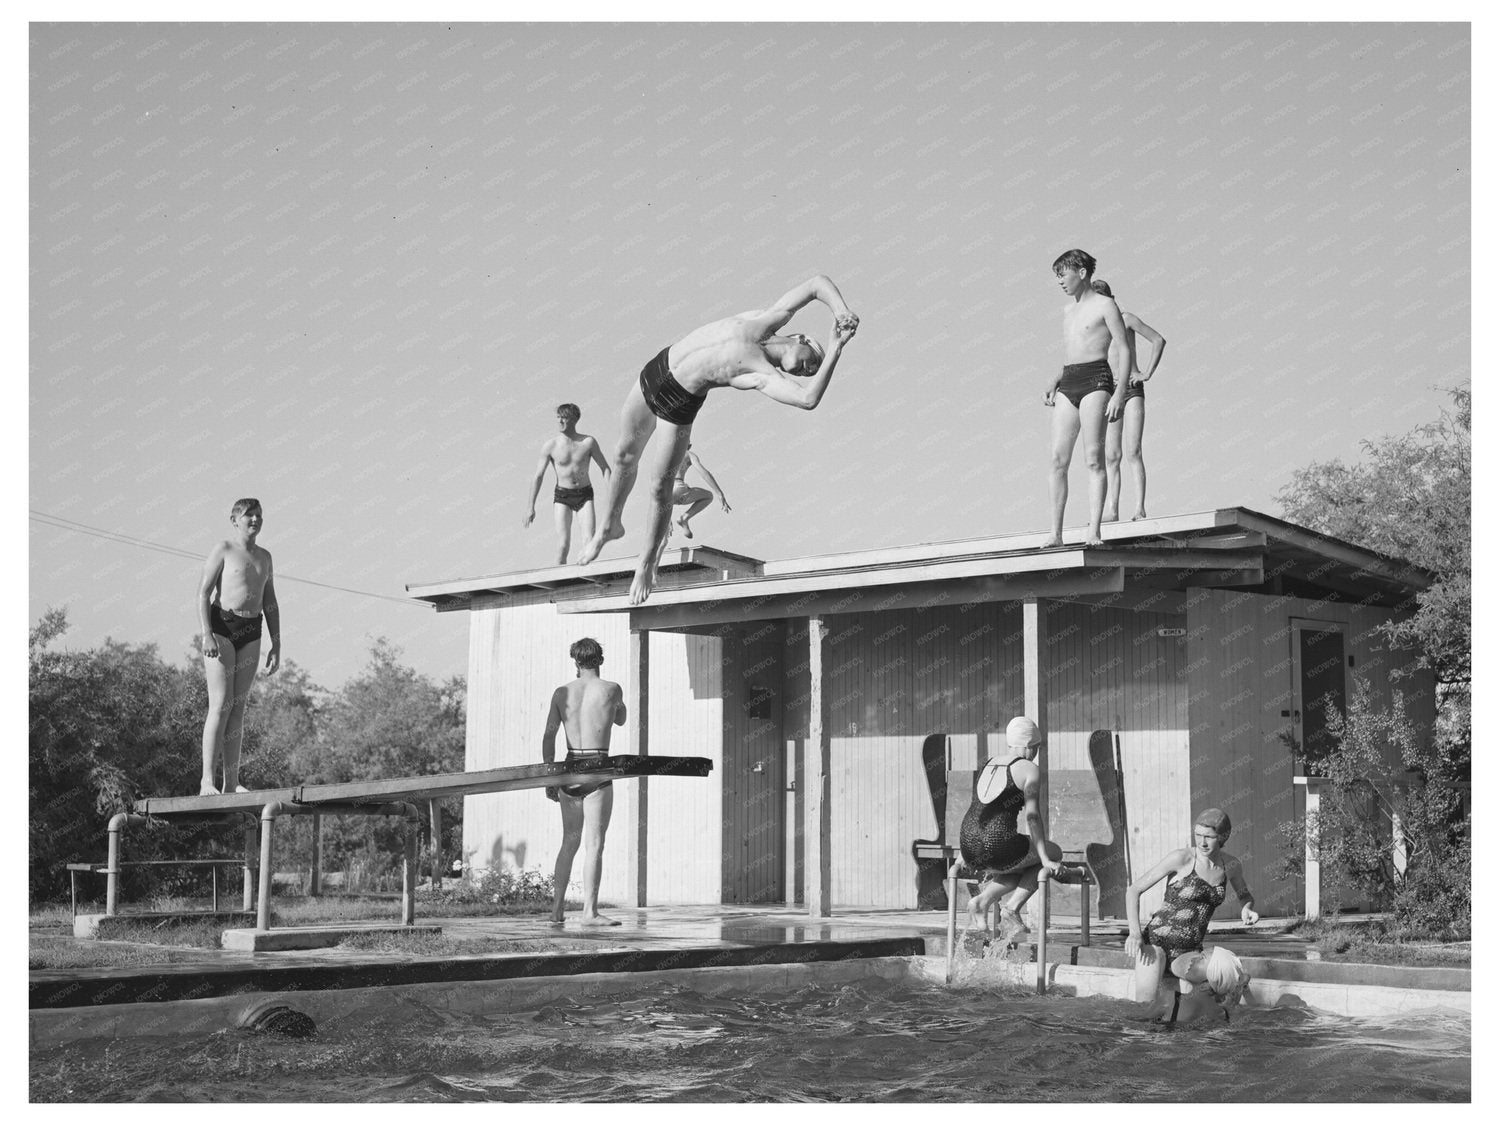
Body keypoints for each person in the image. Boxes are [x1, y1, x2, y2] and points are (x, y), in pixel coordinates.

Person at [576, 275, 859, 603]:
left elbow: (808, 399)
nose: (808, 371)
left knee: (660, 487)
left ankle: (648, 560)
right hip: (658, 369)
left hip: (678, 402)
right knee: (624, 454)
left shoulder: (763, 375)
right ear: (802, 338)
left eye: (810, 372)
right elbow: (815, 285)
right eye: (814, 362)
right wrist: (841, 311)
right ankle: (610, 526)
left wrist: (836, 349)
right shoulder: (765, 319)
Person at [1042, 249, 1131, 547]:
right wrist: (1056, 378)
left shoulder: (1106, 305)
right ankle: (1055, 533)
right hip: (1070, 379)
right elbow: (1073, 350)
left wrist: (1120, 393)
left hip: (1097, 378)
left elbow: (1124, 348)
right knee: (1057, 459)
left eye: (1063, 275)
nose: (1060, 282)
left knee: (1093, 458)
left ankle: (1094, 530)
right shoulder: (1068, 311)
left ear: (1081, 272)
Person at [1125, 807, 1260, 1004]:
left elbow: (1244, 895)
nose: (1202, 842)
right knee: (1145, 1009)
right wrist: (1135, 934)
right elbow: (1133, 891)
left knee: (1227, 969)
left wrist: (1247, 907)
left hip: (1188, 951)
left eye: (1209, 836)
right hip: (1155, 944)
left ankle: (1225, 1025)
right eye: (1198, 835)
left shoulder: (1231, 866)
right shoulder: (1182, 858)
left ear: (1223, 837)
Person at [541, 637, 627, 927]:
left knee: (569, 842)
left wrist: (550, 778)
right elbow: (622, 719)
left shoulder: (561, 692)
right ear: (600, 660)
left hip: (569, 768)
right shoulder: (612, 689)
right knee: (594, 844)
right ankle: (589, 912)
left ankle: (556, 911)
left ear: (575, 662)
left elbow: (548, 737)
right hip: (598, 768)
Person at [197, 498, 280, 796]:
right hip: (221, 627)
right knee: (220, 704)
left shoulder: (266, 557)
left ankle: (231, 783)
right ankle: (207, 781)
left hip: (252, 629)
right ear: (235, 520)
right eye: (248, 516)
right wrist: (206, 633)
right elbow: (203, 594)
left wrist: (276, 643)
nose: (255, 520)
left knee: (238, 708)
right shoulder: (224, 549)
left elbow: (269, 601)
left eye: (258, 515)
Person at [957, 716, 1061, 943]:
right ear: (1027, 745)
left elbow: (977, 811)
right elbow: (1033, 817)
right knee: (1053, 853)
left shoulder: (987, 764)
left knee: (1015, 869)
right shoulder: (1029, 769)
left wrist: (961, 856)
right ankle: (1012, 909)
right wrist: (1045, 859)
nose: (1035, 753)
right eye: (1036, 747)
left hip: (968, 844)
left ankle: (981, 901)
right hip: (998, 845)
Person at [1090, 279, 1167, 523]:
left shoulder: (1126, 319)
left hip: (1132, 388)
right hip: (1111, 390)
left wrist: (1146, 372)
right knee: (1112, 454)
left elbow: (1158, 339)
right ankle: (1112, 510)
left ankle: (1140, 507)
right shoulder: (1096, 328)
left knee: (1133, 450)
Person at [523, 403, 611, 565]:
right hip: (563, 496)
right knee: (563, 544)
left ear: (574, 420)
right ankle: (559, 581)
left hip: (585, 495)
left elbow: (605, 468)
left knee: (588, 541)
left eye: (564, 417)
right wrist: (531, 506)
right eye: (558, 417)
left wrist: (612, 497)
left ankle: (584, 577)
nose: (560, 421)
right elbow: (538, 476)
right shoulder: (550, 446)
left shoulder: (588, 442)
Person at [1147, 945, 1253, 1025]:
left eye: (1201, 958)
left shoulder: (1170, 1000)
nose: (1193, 959)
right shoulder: (1224, 1014)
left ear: (1209, 980)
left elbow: (1135, 1022)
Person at [668, 443, 730, 541]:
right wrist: (719, 492)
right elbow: (704, 473)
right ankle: (685, 518)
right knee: (708, 496)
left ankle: (679, 520)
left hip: (666, 491)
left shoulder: (666, 452)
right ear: (688, 445)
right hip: (679, 488)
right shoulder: (688, 454)